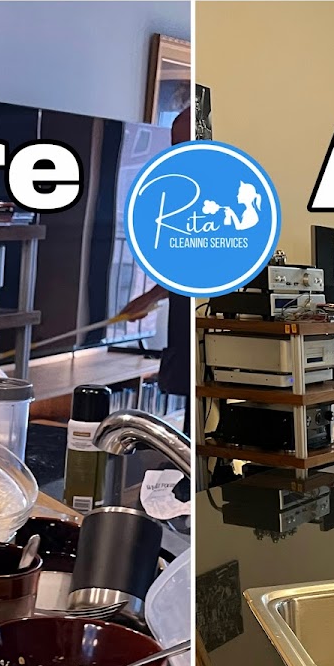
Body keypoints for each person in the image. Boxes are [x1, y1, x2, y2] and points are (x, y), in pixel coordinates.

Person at [118, 105, 191, 432]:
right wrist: (150, 297)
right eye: (174, 145)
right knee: (191, 395)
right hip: (184, 309)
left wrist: (148, 297)